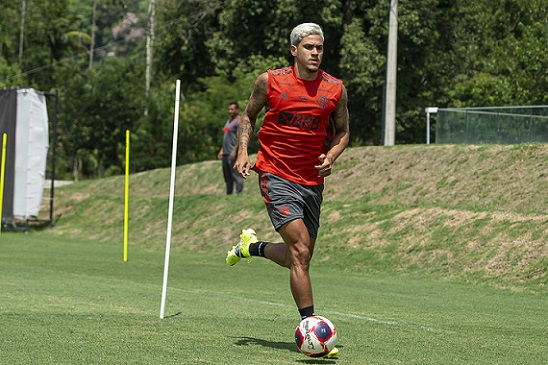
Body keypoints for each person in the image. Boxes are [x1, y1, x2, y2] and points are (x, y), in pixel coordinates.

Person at [225, 23, 349, 358]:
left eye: (320, 48)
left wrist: (332, 155)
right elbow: (248, 117)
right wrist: (241, 151)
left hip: (312, 182)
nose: (315, 53)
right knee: (301, 253)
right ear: (293, 50)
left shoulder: (335, 89)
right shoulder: (270, 81)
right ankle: (311, 329)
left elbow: (343, 132)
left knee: (301, 254)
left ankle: (253, 247)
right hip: (276, 174)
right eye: (309, 47)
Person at [217, 101, 244, 195]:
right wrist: (222, 150)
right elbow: (226, 138)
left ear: (237, 110)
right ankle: (229, 196)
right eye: (229, 109)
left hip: (233, 153)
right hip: (225, 153)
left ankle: (239, 194)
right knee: (227, 177)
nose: (230, 111)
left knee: (236, 175)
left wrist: (234, 151)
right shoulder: (228, 122)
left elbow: (239, 138)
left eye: (232, 109)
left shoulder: (238, 121)